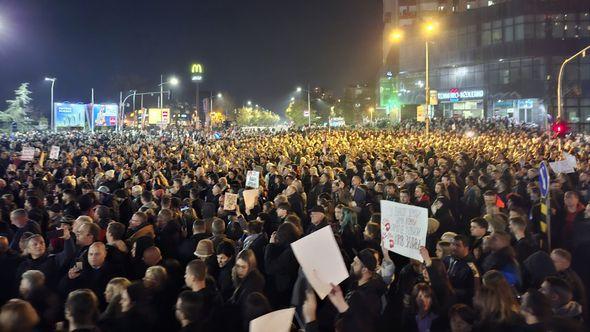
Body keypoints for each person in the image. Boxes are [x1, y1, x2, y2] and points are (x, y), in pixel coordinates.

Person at [444, 234, 480, 304]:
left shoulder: (473, 266)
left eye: (457, 245)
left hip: (460, 302)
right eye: (452, 244)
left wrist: (453, 291)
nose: (453, 247)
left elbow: (474, 289)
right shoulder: (447, 259)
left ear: (466, 248)